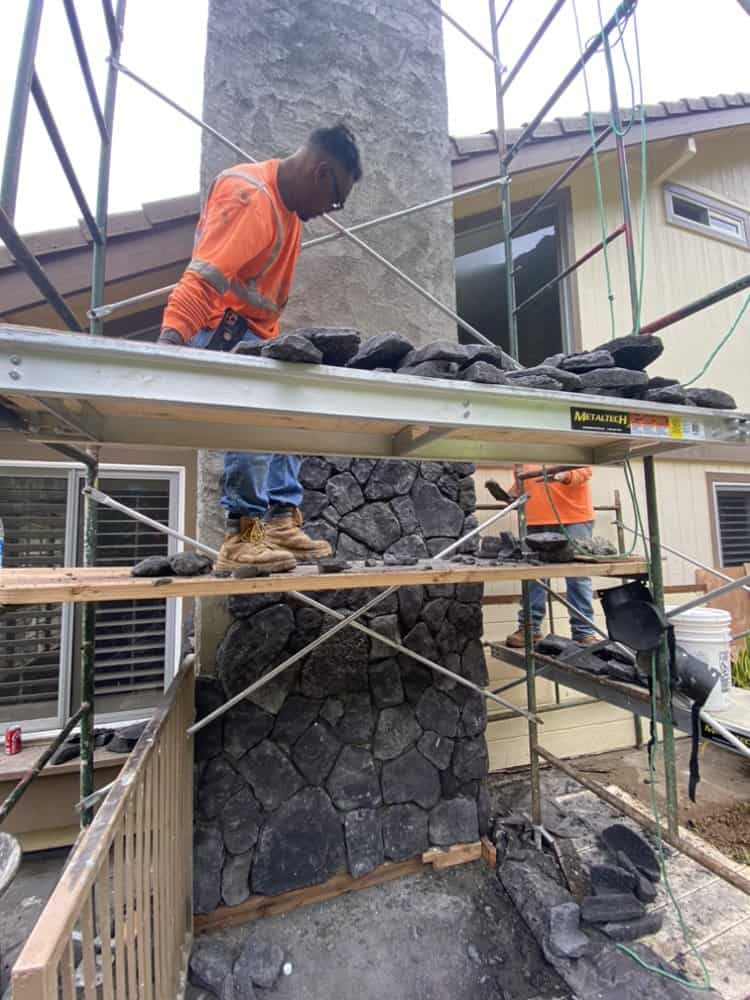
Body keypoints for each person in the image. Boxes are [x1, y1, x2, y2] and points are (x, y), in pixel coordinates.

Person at [158, 124, 363, 573]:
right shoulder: (250, 197)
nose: (331, 210)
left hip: (253, 336)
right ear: (320, 171)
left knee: (290, 415)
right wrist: (169, 346)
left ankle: (280, 522)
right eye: (336, 199)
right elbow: (203, 279)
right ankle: (243, 536)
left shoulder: (288, 215)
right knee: (252, 423)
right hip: (219, 332)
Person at [505, 464, 597, 647]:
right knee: (533, 577)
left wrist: (564, 475)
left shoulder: (563, 441)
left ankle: (584, 632)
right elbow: (522, 483)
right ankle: (529, 627)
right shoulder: (522, 451)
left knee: (577, 576)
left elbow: (585, 469)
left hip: (573, 517)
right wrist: (512, 494)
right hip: (535, 520)